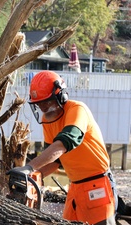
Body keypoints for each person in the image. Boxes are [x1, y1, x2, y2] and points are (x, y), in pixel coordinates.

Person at [8, 70, 118, 225]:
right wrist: (31, 178)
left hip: (97, 185)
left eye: (47, 102)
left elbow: (64, 144)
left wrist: (30, 167)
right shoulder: (48, 120)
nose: (43, 108)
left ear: (61, 95)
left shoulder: (77, 110)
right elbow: (55, 160)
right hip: (75, 188)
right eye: (39, 104)